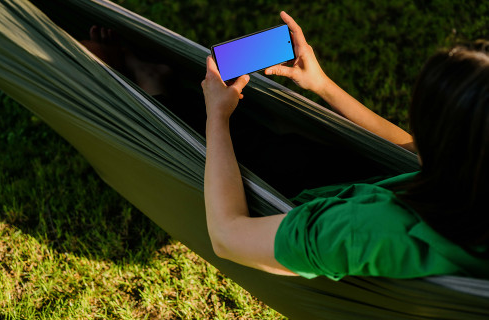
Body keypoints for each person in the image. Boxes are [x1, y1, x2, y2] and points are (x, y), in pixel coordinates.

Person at [201, 11, 489, 279]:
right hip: (376, 188)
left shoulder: (359, 231)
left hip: (294, 204)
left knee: (269, 144)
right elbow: (413, 149)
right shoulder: (471, 188)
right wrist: (321, 84)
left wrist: (217, 114)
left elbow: (227, 237)